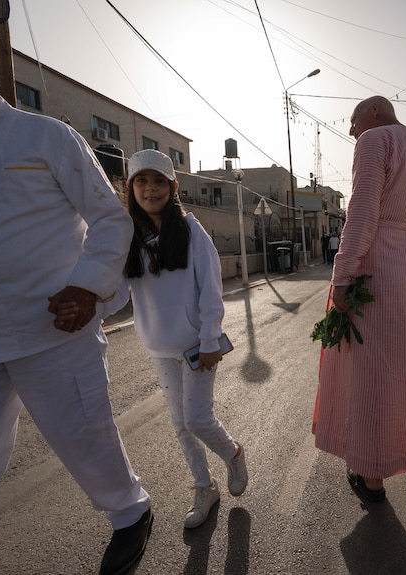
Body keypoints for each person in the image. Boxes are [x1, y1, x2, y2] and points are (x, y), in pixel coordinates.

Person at [0, 2, 153, 574]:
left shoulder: (45, 135)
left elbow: (110, 218)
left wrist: (88, 287)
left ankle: (130, 511)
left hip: (51, 326)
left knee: (84, 438)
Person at [312, 96, 406, 502]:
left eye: (353, 123)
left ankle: (371, 476)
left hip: (376, 275)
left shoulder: (375, 141)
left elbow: (362, 213)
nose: (352, 132)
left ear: (373, 111)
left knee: (372, 376)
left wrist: (342, 276)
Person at [118, 149, 248, 529]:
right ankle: (203, 486)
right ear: (131, 188)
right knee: (179, 424)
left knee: (197, 418)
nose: (150, 189)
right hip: (159, 348)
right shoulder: (128, 235)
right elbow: (116, 288)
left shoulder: (191, 231)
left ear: (173, 187)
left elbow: (211, 290)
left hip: (196, 347)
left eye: (159, 181)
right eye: (141, 181)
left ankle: (233, 453)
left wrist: (210, 340)